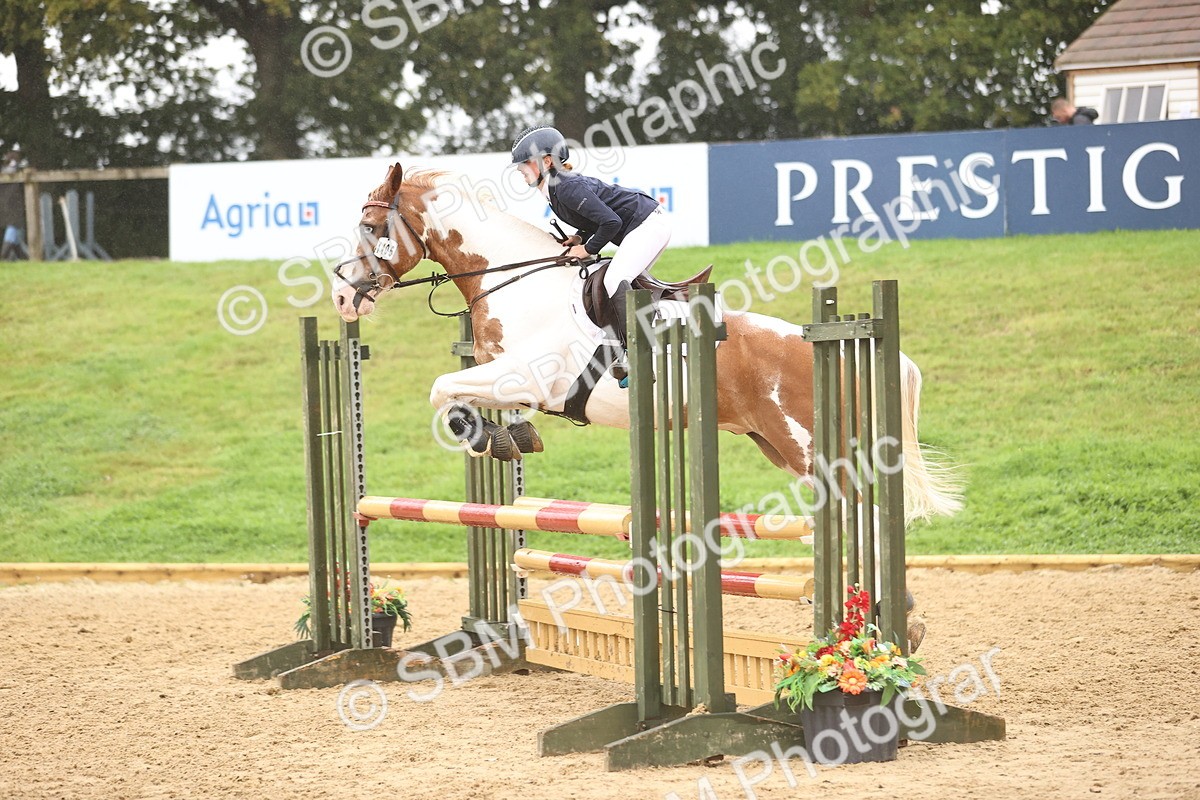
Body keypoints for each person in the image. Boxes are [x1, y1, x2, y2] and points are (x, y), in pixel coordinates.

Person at [510, 125, 670, 382]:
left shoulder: (565, 186)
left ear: (547, 161)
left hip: (648, 224)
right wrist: (579, 237)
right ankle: (627, 344)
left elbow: (611, 222)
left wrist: (586, 249)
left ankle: (638, 359)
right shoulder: (555, 187)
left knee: (613, 280)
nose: (520, 170)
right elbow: (594, 220)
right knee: (620, 281)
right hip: (641, 225)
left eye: (525, 163)